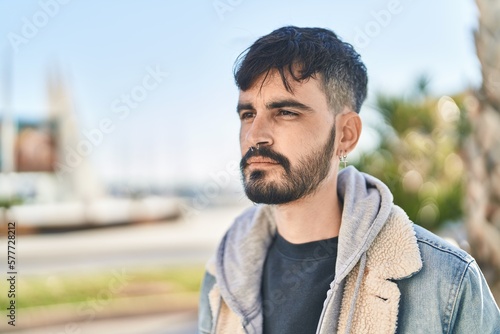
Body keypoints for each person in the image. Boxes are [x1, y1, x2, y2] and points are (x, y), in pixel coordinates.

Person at [198, 26, 500, 333]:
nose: (255, 136)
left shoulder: (447, 282)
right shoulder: (223, 275)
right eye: (248, 114)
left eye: (286, 112)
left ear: (346, 134)